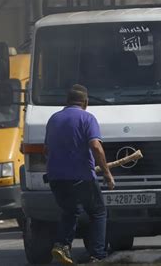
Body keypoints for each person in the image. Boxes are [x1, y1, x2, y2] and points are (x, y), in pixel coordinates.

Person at [45, 84, 115, 265]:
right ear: (86, 102)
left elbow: (47, 149)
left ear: (66, 101)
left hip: (56, 178)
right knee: (98, 212)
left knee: (70, 211)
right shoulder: (87, 118)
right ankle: (97, 255)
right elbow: (96, 147)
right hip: (81, 177)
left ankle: (61, 245)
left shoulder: (54, 119)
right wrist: (107, 173)